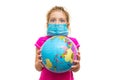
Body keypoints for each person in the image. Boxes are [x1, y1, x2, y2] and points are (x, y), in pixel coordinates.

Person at [35, 6, 80, 80]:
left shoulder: (72, 43)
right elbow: (38, 68)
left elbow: (76, 69)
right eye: (53, 20)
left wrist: (77, 66)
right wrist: (39, 63)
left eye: (62, 20)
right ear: (47, 24)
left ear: (67, 25)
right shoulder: (41, 41)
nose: (57, 23)